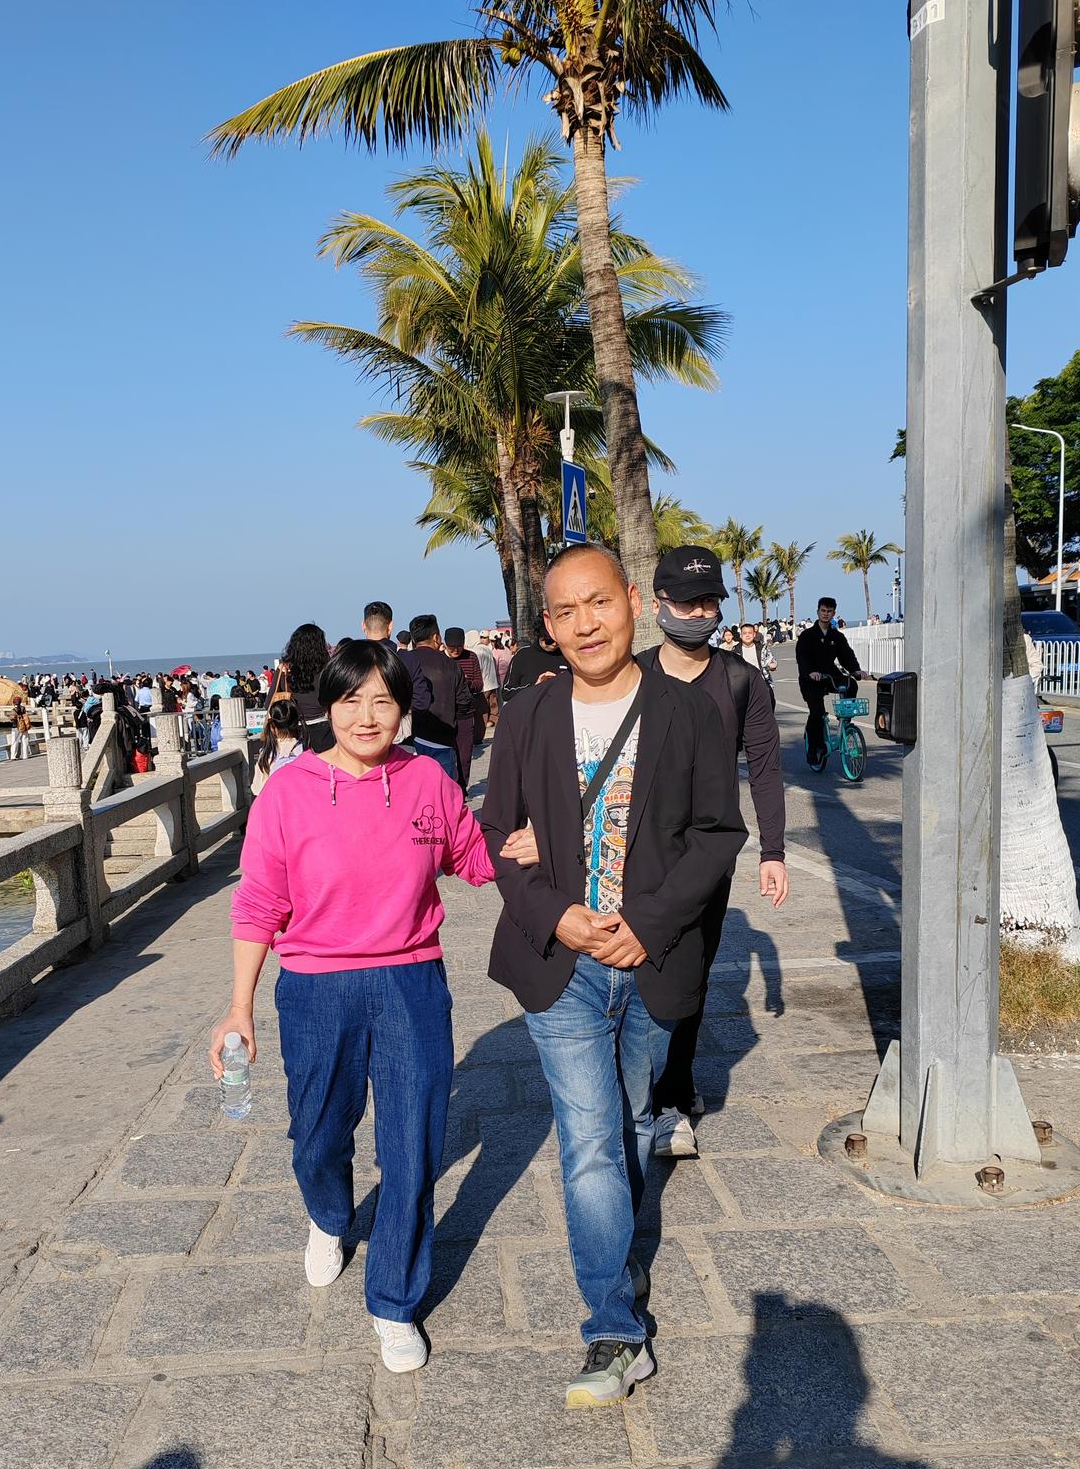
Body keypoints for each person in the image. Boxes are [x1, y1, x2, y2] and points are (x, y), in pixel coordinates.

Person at [209, 640, 537, 1376]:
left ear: (403, 710)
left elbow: (470, 858)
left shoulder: (428, 780)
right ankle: (329, 1215)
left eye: (383, 701)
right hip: (315, 988)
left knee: (412, 1145)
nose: (366, 716)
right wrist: (239, 1007)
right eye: (351, 700)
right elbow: (258, 902)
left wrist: (525, 844)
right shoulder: (288, 791)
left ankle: (395, 1299)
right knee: (317, 1133)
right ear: (327, 707)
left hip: (409, 983)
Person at [482, 544, 746, 1408]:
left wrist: (649, 925)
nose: (585, 624)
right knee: (589, 1139)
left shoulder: (688, 710)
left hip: (653, 962)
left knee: (632, 1122)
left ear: (632, 600)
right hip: (562, 964)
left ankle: (614, 1251)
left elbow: (717, 834)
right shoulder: (527, 713)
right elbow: (499, 832)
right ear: (547, 627)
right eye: (565, 612)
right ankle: (614, 1330)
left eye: (598, 602)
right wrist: (554, 911)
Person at [640, 548, 788, 1141]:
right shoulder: (632, 675)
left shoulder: (740, 680)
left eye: (709, 602)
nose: (699, 613)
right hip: (638, 850)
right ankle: (643, 1090)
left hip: (708, 856)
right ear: (658, 605)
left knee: (691, 973)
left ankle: (673, 1091)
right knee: (637, 969)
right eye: (686, 602)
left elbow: (766, 768)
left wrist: (773, 853)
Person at [400, 614, 472, 783]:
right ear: (436, 637)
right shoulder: (450, 665)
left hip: (411, 740)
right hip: (443, 740)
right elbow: (464, 703)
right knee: (445, 790)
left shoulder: (404, 663)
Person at [795, 597, 864, 767]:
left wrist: (856, 670)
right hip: (811, 678)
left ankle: (846, 721)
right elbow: (802, 658)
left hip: (830, 675)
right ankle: (814, 749)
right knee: (817, 713)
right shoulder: (807, 635)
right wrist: (810, 672)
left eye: (829, 611)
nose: (826, 614)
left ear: (834, 613)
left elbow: (846, 655)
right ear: (818, 611)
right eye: (823, 610)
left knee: (851, 684)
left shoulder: (836, 636)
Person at [271, 624, 334, 753]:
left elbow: (270, 703)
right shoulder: (328, 669)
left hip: (294, 732)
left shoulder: (285, 670)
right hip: (325, 730)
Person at [443, 627, 486, 789]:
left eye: (459, 647)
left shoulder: (471, 657)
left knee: (465, 755)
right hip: (444, 713)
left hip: (466, 712)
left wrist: (466, 683)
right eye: (451, 647)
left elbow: (479, 684)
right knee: (446, 754)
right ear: (445, 645)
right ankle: (447, 787)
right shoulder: (440, 659)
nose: (455, 651)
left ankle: (461, 788)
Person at [250, 699, 307, 796]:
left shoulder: (267, 753)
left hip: (271, 801)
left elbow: (257, 788)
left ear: (272, 726)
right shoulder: (305, 750)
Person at [502, 623, 569, 696]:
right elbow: (506, 692)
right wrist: (535, 686)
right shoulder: (523, 655)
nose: (554, 644)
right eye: (550, 640)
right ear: (541, 636)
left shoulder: (566, 655)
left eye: (558, 640)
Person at [736, 621, 778, 703]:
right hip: (743, 685)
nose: (747, 635)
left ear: (754, 634)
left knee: (769, 703)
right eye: (744, 633)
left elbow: (770, 660)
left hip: (762, 682)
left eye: (750, 633)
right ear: (740, 635)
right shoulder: (735, 651)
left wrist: (772, 665)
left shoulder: (762, 647)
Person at [468, 630, 501, 727]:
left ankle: (483, 724)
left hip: (484, 683)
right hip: (492, 681)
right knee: (493, 704)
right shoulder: (487, 649)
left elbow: (478, 668)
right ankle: (493, 721)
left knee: (483, 707)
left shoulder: (475, 652)